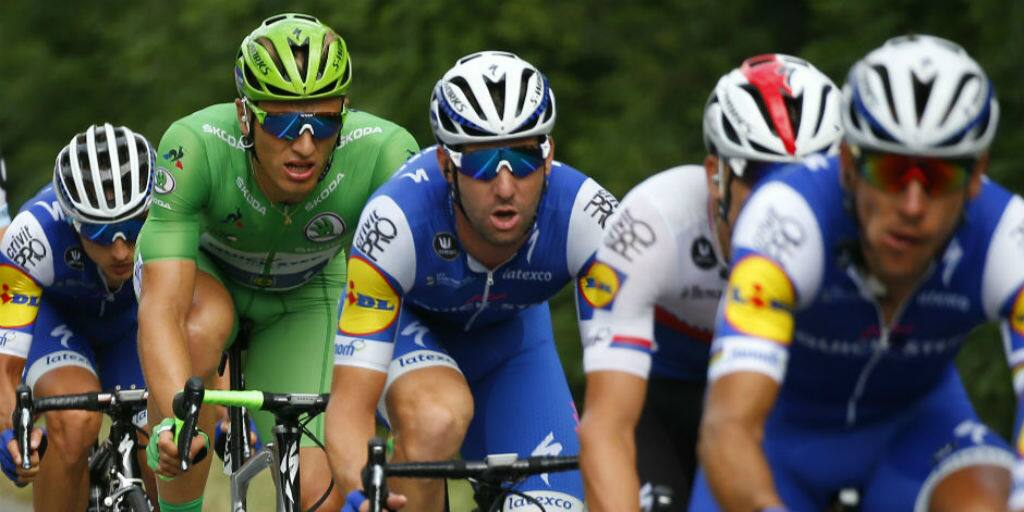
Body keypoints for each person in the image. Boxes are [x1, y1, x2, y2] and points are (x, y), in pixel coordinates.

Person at [690, 34, 1018, 511]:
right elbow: (728, 426)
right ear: (848, 163)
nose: (912, 206)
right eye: (891, 172)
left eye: (939, 177)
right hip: (781, 448)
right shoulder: (787, 218)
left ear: (975, 177)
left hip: (919, 438)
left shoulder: (1008, 235)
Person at [137, 13, 418, 512]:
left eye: (324, 122)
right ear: (245, 115)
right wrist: (174, 419)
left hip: (304, 294)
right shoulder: (196, 145)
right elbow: (163, 309)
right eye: (283, 121)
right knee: (201, 329)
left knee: (321, 496)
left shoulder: (383, 152)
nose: (305, 144)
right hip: (206, 279)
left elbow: (412, 292)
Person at [325, 50, 614, 512]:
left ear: (549, 156)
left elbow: (620, 400)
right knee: (435, 417)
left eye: (523, 158)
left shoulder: (588, 217)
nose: (505, 186)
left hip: (514, 346)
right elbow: (349, 408)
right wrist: (364, 494)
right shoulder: (395, 220)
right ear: (446, 163)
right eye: (482, 163)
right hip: (411, 329)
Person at [578, 54, 843, 511]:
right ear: (715, 178)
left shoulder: (849, 240)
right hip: (656, 403)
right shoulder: (651, 225)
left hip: (768, 404)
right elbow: (607, 428)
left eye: (803, 182)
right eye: (761, 177)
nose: (781, 204)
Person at [0, 123, 157, 509]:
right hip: (58, 321)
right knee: (74, 422)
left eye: (133, 229)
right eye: (101, 234)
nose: (120, 251)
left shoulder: (179, 216)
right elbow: (5, 365)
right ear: (72, 220)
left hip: (133, 324)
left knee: (162, 441)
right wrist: (7, 430)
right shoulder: (33, 234)